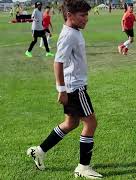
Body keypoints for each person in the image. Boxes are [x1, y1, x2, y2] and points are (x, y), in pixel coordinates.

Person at [26, 0, 103, 178]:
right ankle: (83, 167)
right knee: (90, 123)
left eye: (87, 15)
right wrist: (61, 89)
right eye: (82, 15)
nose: (86, 19)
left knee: (71, 123)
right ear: (70, 16)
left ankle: (39, 151)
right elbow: (57, 62)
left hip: (73, 86)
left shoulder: (74, 31)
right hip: (75, 87)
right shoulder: (69, 35)